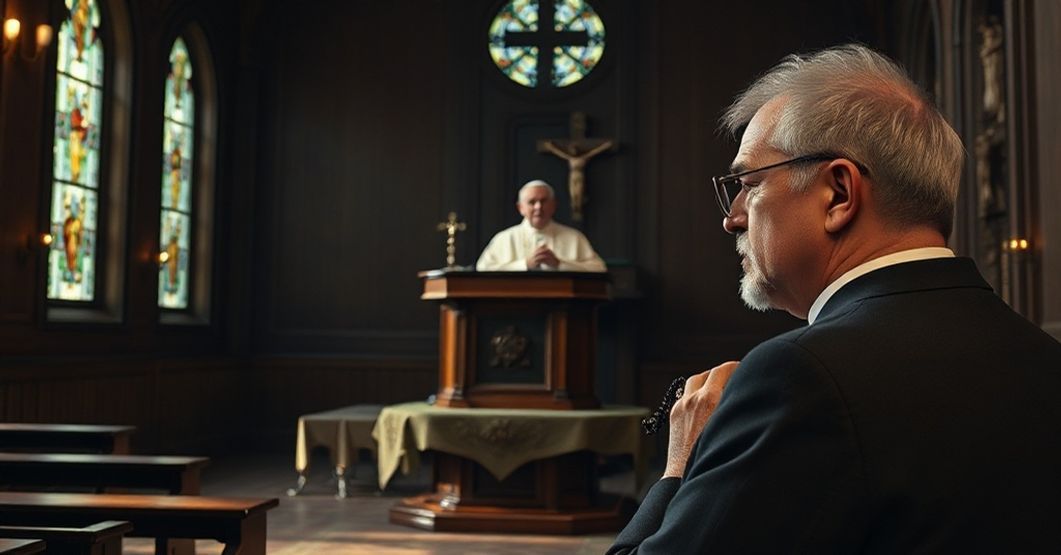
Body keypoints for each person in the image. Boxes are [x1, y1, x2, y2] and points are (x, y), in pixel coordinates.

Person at [609, 44, 1061, 553]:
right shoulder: (1042, 355)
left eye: (749, 183)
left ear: (839, 194)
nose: (732, 217)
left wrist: (678, 467)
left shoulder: (800, 378)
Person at [476, 179, 606, 272]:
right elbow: (483, 269)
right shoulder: (504, 238)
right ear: (520, 208)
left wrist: (559, 264)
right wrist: (525, 265)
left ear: (554, 205)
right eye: (532, 202)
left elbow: (599, 269)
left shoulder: (574, 237)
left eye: (543, 201)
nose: (538, 207)